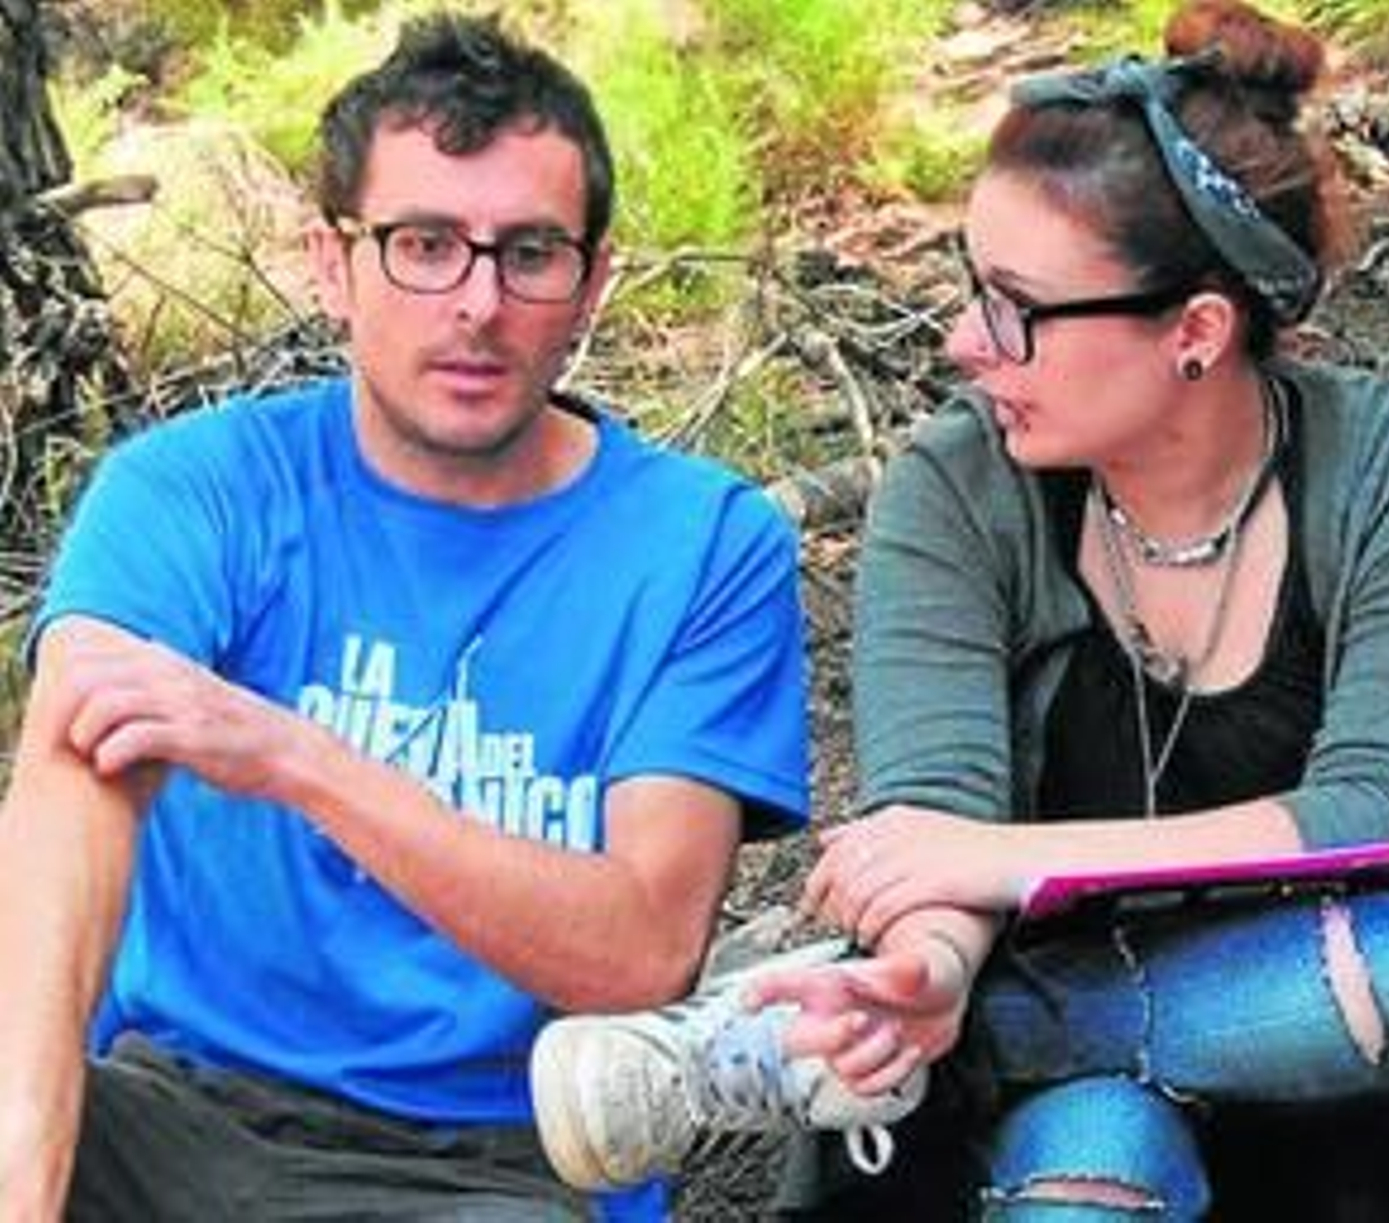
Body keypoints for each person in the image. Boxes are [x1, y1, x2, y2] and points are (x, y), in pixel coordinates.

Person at [527, 2, 1389, 1218]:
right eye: (972, 285)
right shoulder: (954, 485)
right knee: (1097, 1134)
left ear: (1195, 331)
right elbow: (934, 809)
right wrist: (922, 973)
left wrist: (998, 883)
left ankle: (985, 1045)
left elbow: (1376, 807)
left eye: (1017, 306)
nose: (963, 342)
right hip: (1041, 1096)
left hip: (1323, 1027)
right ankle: (975, 1046)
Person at [0, 13, 810, 1222]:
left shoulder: (702, 545)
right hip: (177, 1113)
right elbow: (69, 798)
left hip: (495, 1164)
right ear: (332, 264)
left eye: (528, 252)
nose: (478, 303)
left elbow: (642, 949)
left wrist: (296, 757)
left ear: (591, 282)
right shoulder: (195, 488)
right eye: (424, 244)